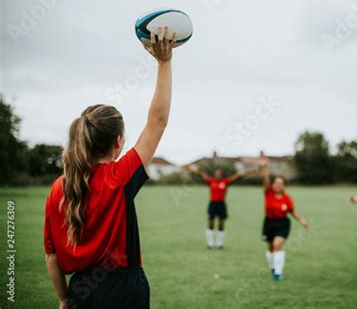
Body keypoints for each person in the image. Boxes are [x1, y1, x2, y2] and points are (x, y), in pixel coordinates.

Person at [43, 27, 177, 308]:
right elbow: (158, 121)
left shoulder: (59, 187)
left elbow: (52, 256)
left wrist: (65, 299)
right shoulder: (120, 176)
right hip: (125, 291)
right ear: (118, 142)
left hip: (81, 289)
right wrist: (164, 63)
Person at [259, 155, 309, 281]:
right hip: (269, 222)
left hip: (282, 223)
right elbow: (265, 179)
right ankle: (272, 267)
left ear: (284, 186)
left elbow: (292, 212)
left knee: (277, 245)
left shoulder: (287, 198)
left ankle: (278, 272)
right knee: (270, 248)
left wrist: (302, 220)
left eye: (281, 184)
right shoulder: (268, 193)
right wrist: (265, 167)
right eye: (276, 183)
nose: (277, 185)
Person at [187, 165, 255, 249]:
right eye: (216, 174)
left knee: (221, 224)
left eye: (219, 174)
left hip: (221, 204)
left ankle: (220, 244)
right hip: (212, 204)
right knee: (211, 223)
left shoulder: (225, 182)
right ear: (214, 175)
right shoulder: (211, 181)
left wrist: (247, 171)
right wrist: (194, 169)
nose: (218, 175)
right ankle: (210, 243)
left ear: (221, 175)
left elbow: (236, 177)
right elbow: (202, 174)